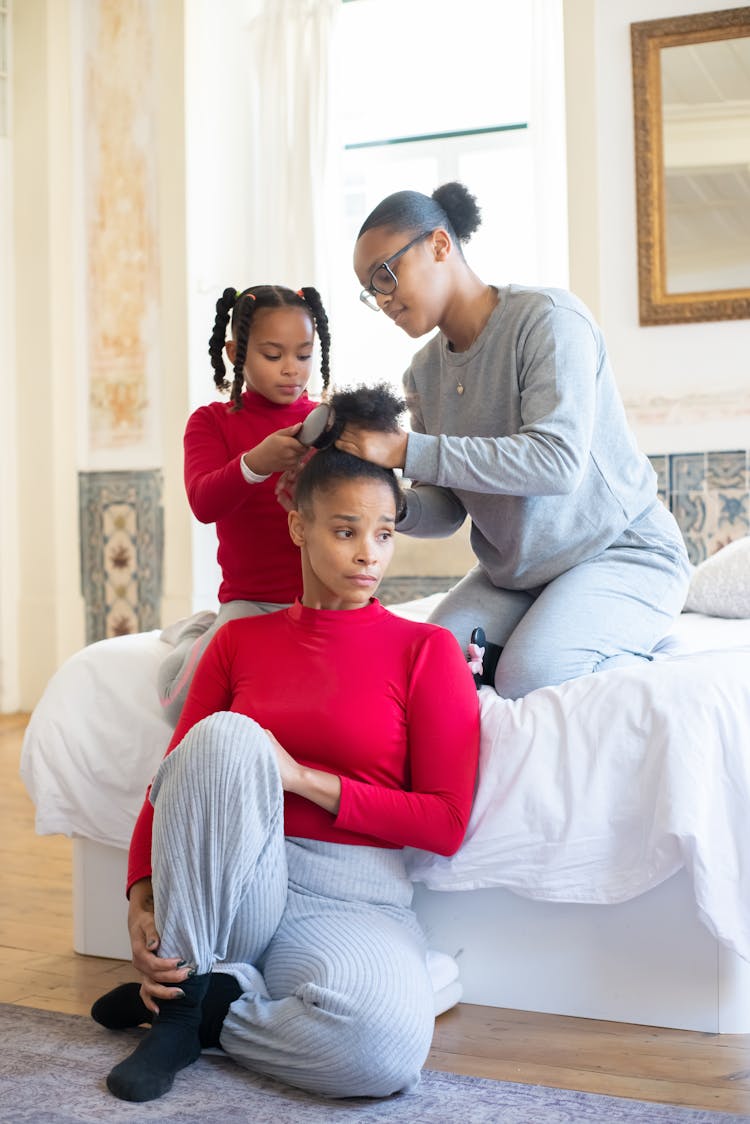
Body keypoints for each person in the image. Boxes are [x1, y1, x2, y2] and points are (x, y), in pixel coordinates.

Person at [91, 416, 480, 1104]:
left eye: (384, 533)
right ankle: (180, 1006)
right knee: (223, 738)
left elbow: (446, 822)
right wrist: (139, 896)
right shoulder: (240, 641)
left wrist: (301, 778)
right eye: (346, 530)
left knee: (383, 1052)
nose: (370, 554)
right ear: (300, 527)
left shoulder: (427, 652)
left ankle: (206, 1011)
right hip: (237, 883)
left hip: (352, 898)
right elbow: (178, 776)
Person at [341, 181, 692, 698]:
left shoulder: (549, 319)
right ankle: (530, 642)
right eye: (372, 291)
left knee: (531, 674)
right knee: (423, 668)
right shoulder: (421, 375)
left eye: (386, 275)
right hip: (516, 578)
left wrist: (402, 449)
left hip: (622, 553)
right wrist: (379, 498)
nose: (384, 299)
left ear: (440, 245)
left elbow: (555, 463)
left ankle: (604, 643)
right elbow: (447, 509)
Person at [158, 284, 331, 726]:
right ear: (237, 352)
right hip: (250, 602)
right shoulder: (210, 422)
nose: (293, 370)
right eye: (273, 356)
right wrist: (256, 463)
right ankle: (196, 633)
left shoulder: (327, 423)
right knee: (178, 705)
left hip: (324, 599)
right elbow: (203, 501)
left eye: (304, 355)